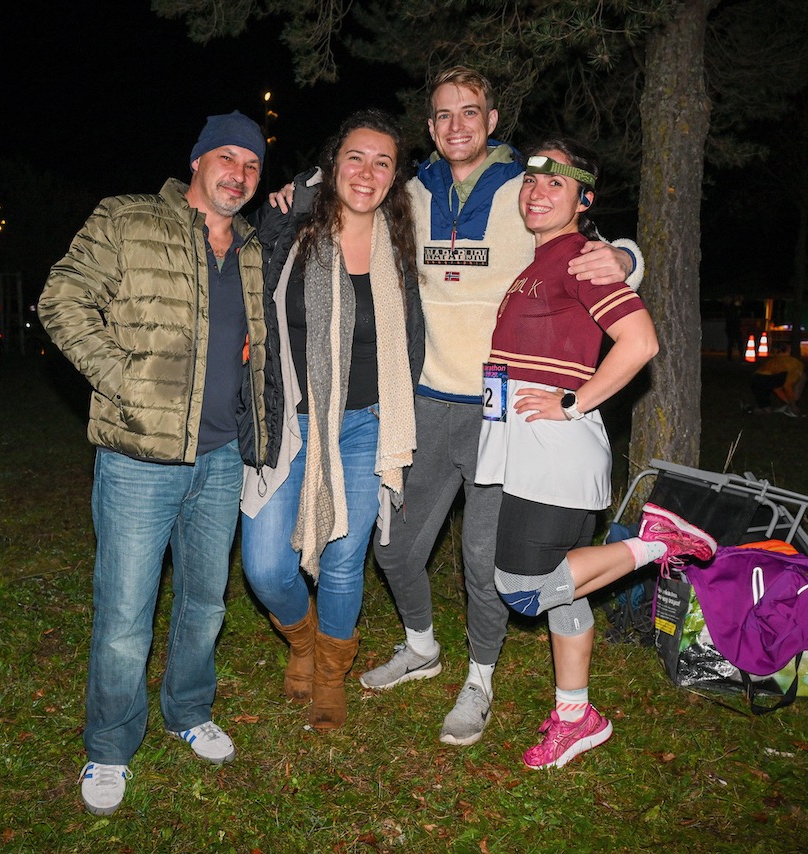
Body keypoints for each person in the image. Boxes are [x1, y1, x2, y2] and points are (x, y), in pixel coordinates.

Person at [357, 67, 644, 748]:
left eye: (471, 112)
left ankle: (479, 680)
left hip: (501, 419)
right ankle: (421, 645)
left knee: (485, 563)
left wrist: (627, 258)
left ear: (491, 121)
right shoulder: (410, 196)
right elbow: (348, 202)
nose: (457, 125)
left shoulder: (528, 190)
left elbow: (591, 246)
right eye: (443, 115)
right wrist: (294, 190)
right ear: (430, 128)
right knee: (393, 547)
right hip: (426, 405)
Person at [38, 111, 273, 816]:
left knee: (204, 604)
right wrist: (125, 378)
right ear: (197, 161)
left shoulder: (256, 248)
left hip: (223, 454)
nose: (239, 174)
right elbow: (61, 299)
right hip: (140, 456)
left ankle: (188, 710)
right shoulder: (128, 218)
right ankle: (109, 748)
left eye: (253, 165)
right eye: (227, 158)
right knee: (124, 615)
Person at [476, 138, 716, 768]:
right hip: (524, 447)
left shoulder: (581, 258)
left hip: (555, 449)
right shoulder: (541, 259)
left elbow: (639, 344)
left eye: (556, 182)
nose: (537, 191)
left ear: (584, 200)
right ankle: (575, 717)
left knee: (524, 588)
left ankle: (659, 542)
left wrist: (574, 403)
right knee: (566, 593)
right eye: (531, 181)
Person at [241, 110, 424, 731]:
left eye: (383, 162)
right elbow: (241, 274)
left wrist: (617, 256)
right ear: (331, 164)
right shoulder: (290, 226)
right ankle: (302, 638)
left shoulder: (406, 243)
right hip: (292, 418)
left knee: (345, 559)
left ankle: (329, 671)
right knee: (265, 567)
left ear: (395, 178)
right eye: (355, 157)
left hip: (371, 422)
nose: (367, 171)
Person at [751, 344, 806, 416]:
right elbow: (787, 387)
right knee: (767, 411)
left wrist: (789, 402)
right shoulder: (797, 370)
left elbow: (777, 388)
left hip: (758, 378)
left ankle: (749, 409)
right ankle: (792, 405)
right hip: (764, 378)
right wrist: (793, 405)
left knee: (768, 411)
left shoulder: (786, 365)